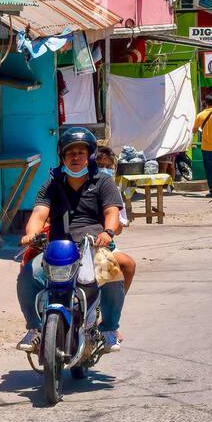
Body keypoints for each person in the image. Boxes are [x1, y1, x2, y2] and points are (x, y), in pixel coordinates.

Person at [17, 127, 125, 354]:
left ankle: (108, 329)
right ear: (62, 157)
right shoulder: (52, 184)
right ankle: (35, 330)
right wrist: (31, 234)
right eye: (70, 153)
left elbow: (112, 213)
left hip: (93, 245)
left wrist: (108, 232)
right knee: (28, 275)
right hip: (57, 248)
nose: (75, 157)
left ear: (90, 156)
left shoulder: (103, 182)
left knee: (111, 272)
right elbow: (38, 214)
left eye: (81, 153)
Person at [94, 145, 137, 293]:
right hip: (81, 243)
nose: (105, 169)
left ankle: (114, 306)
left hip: (104, 244)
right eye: (100, 166)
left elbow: (118, 229)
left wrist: (110, 225)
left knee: (127, 265)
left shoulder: (113, 191)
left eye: (108, 166)